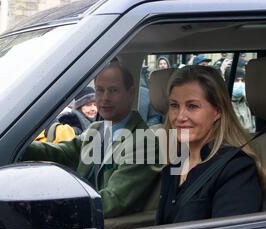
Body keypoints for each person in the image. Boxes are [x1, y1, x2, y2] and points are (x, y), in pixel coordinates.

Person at [22, 60, 161, 218]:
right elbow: (61, 153)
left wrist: (57, 208)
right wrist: (18, 146)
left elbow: (112, 201)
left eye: (113, 90)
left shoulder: (144, 142)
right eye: (100, 90)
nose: (105, 98)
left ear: (131, 93)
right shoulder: (97, 129)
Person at [156, 65, 266, 225]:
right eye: (174, 105)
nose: (179, 117)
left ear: (218, 111)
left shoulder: (236, 169)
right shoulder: (175, 163)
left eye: (192, 106)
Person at [226, 67, 255, 132]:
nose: (240, 84)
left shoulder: (248, 103)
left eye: (242, 80)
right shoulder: (223, 105)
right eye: (236, 80)